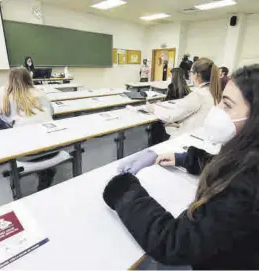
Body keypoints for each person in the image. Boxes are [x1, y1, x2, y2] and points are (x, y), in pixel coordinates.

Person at [103, 64, 259, 269]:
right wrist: (183, 158)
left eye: (227, 105)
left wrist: (123, 190)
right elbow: (229, 166)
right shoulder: (248, 155)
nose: (217, 109)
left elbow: (173, 243)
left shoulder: (247, 185)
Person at [0, 67, 56, 191]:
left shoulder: (6, 98)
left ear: (10, 81)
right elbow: (52, 113)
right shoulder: (41, 93)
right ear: (29, 78)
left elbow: (5, 121)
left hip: (24, 153)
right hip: (53, 148)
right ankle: (45, 172)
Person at [148, 57, 222, 141]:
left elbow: (170, 116)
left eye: (190, 72)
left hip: (188, 140)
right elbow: (199, 118)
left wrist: (153, 108)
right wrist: (180, 124)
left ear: (197, 75)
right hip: (200, 136)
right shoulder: (214, 93)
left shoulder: (198, 95)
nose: (189, 75)